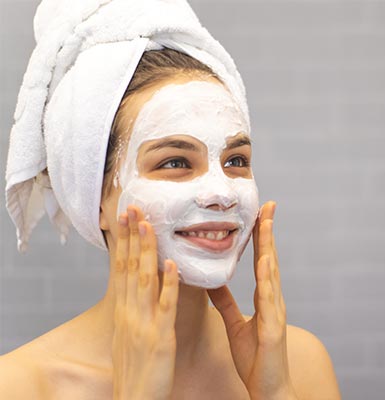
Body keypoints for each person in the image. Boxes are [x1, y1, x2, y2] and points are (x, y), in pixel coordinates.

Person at [0, 1, 341, 399]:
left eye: (236, 161)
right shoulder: (22, 386)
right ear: (94, 198)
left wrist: (275, 391)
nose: (222, 193)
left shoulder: (300, 364)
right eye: (176, 161)